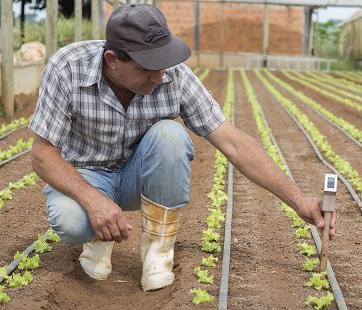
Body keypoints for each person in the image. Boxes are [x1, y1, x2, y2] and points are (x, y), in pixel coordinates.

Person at [29, 4, 336, 292]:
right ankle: (98, 235)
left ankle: (158, 251)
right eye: (147, 67)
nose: (160, 76)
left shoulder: (173, 76)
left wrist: (300, 201)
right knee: (71, 222)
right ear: (112, 60)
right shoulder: (67, 68)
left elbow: (234, 143)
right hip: (87, 175)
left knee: (170, 134)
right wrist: (94, 201)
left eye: (163, 63)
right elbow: (43, 154)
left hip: (141, 175)